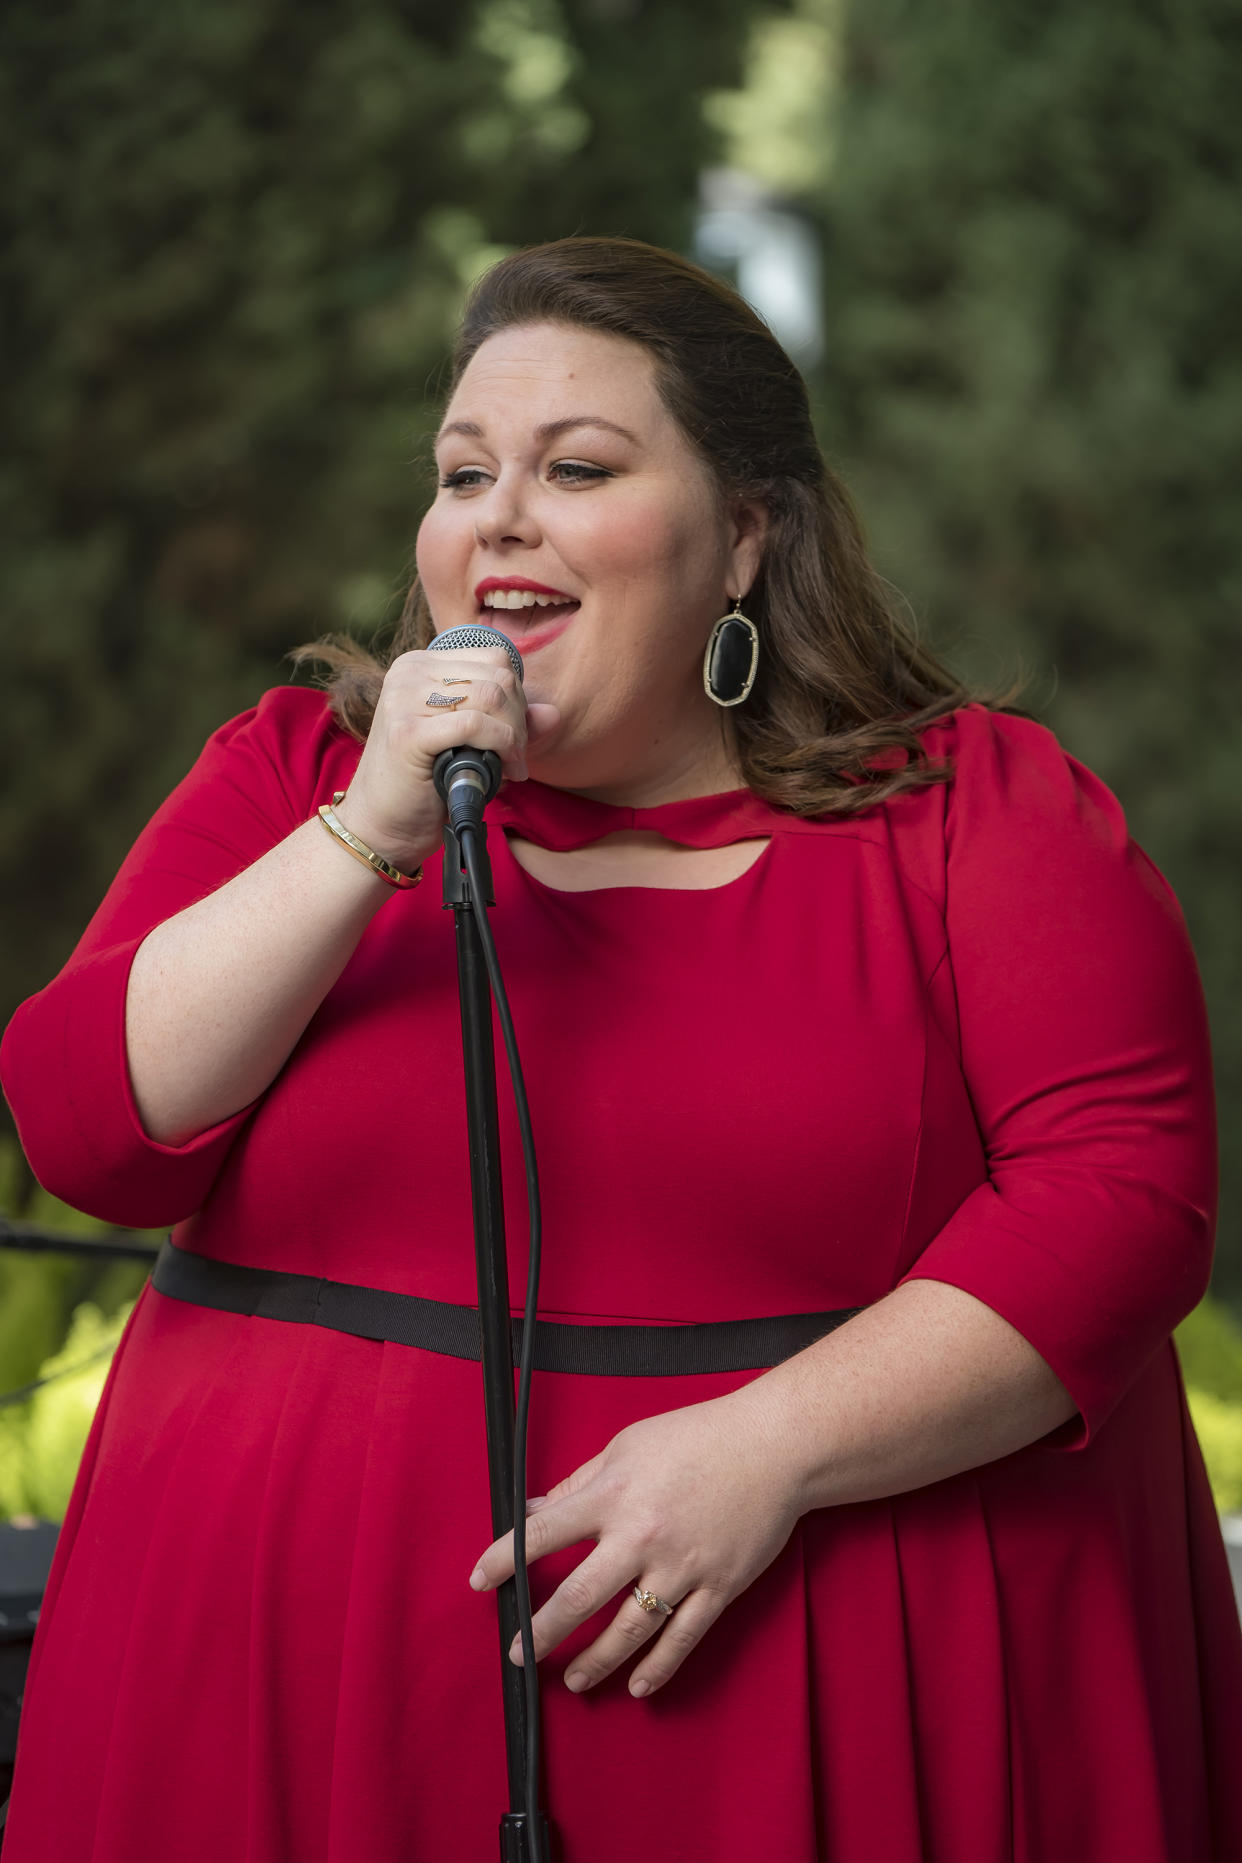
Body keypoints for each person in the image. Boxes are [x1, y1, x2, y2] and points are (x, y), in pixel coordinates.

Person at [2, 235, 1240, 1862]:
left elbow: (1120, 1203)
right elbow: (90, 1128)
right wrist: (364, 826)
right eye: (461, 474)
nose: (497, 515)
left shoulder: (968, 818)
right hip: (263, 1707)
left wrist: (768, 1452)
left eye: (575, 467)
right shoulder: (289, 779)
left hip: (812, 1701)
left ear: (741, 538)